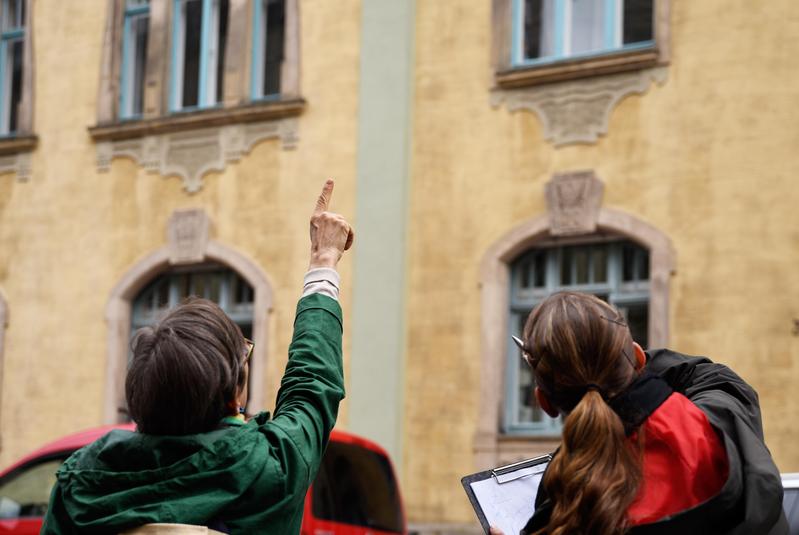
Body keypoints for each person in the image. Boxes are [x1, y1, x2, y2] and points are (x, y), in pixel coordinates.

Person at [41, 180, 354, 534]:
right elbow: (311, 385)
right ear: (232, 397)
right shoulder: (270, 470)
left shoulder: (80, 485)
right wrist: (323, 262)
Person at [491, 291, 787, 535]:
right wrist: (619, 362)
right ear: (637, 356)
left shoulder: (562, 510)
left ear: (544, 402)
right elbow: (705, 374)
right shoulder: (719, 423)